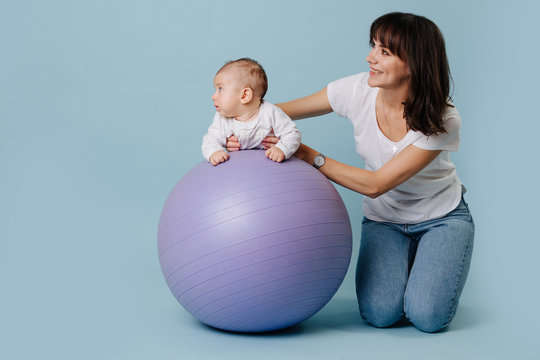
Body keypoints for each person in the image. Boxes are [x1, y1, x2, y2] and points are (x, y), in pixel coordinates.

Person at [227, 12, 474, 333]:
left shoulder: (443, 118)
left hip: (441, 219)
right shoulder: (357, 89)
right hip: (385, 221)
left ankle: (427, 258)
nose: (370, 57)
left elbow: (376, 184)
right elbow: (276, 112)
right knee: (380, 315)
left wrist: (305, 153)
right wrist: (240, 120)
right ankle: (411, 265)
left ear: (414, 63)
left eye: (384, 52)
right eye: (373, 46)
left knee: (427, 318)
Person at [202, 58, 301, 166]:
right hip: (238, 169)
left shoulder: (270, 113)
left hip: (269, 168)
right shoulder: (222, 118)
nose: (213, 96)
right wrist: (214, 151)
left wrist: (282, 149)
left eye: (220, 89)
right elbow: (210, 138)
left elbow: (292, 133)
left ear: (244, 95)